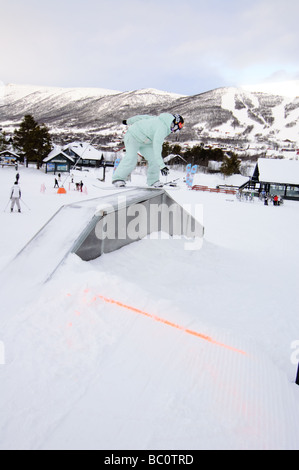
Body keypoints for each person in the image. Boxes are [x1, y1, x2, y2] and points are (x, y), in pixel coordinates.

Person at [112, 113, 184, 188]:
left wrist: (128, 121)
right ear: (174, 123)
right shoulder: (162, 128)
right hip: (133, 136)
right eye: (178, 127)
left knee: (154, 160)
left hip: (146, 142)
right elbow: (157, 146)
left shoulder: (159, 120)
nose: (175, 131)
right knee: (131, 157)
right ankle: (118, 179)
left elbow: (142, 117)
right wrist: (162, 166)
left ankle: (153, 181)